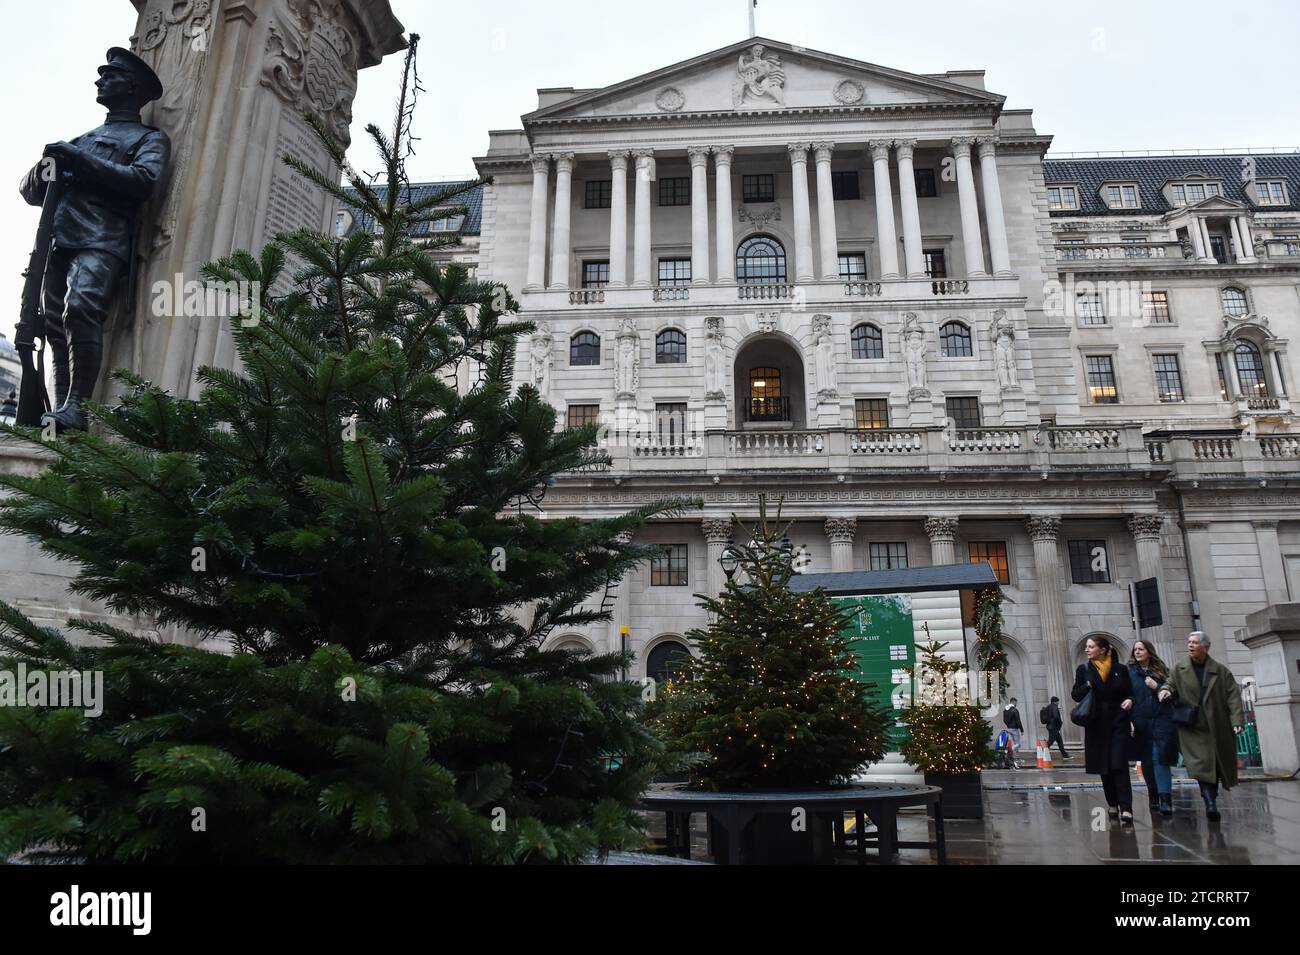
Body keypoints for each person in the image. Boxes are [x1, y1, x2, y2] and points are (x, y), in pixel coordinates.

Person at [17, 48, 170, 431]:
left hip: (103, 238)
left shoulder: (148, 139)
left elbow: (143, 181)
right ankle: (61, 411)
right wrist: (43, 169)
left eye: (110, 75)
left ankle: (78, 407)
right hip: (59, 241)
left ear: (132, 87)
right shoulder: (82, 138)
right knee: (52, 324)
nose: (100, 80)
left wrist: (77, 160)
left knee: (80, 309)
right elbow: (30, 191)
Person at [1159, 632, 1244, 822]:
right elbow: (1170, 684)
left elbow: (1233, 697)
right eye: (1189, 642)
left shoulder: (1221, 671)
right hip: (1192, 726)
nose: (1190, 645)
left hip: (1217, 725)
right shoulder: (1179, 669)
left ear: (1205, 647)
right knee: (1202, 764)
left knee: (1214, 764)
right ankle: (1210, 802)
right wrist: (1164, 691)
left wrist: (1237, 721)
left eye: (1195, 643)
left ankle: (1211, 799)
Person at [1072, 635, 1135, 824]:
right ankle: (1112, 803)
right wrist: (1086, 686)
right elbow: (1075, 694)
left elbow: (1130, 692)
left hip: (1118, 722)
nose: (1087, 650)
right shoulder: (1084, 670)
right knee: (1104, 766)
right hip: (1096, 724)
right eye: (1086, 647)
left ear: (1103, 649)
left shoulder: (1120, 670)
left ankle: (1126, 806)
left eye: (1091, 646)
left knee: (1119, 764)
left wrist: (1130, 700)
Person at [1128, 639, 1178, 817]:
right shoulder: (1130, 674)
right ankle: (1153, 794)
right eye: (1135, 650)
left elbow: (1174, 694)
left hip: (1162, 719)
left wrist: (1156, 686)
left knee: (1160, 758)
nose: (1138, 652)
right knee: (1147, 761)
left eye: (1141, 649)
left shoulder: (1162, 671)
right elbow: (1128, 696)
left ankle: (1166, 798)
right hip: (1141, 721)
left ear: (1149, 651)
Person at [1041, 696, 1070, 760]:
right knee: (1050, 742)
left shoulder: (1048, 707)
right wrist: (1060, 723)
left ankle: (1065, 755)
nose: (1058, 703)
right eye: (1058, 701)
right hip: (1053, 727)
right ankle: (1041, 752)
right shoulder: (1054, 707)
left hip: (1050, 726)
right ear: (1056, 702)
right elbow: (1056, 717)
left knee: (1060, 741)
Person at [1003, 697, 1024, 769]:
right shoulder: (1015, 710)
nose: (1016, 704)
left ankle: (1014, 760)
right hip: (1014, 728)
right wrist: (1021, 729)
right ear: (1014, 702)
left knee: (1015, 746)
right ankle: (1009, 751)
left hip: (1009, 728)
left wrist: (1008, 725)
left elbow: (1004, 720)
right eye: (1016, 703)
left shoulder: (1006, 710)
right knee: (1017, 744)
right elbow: (1018, 720)